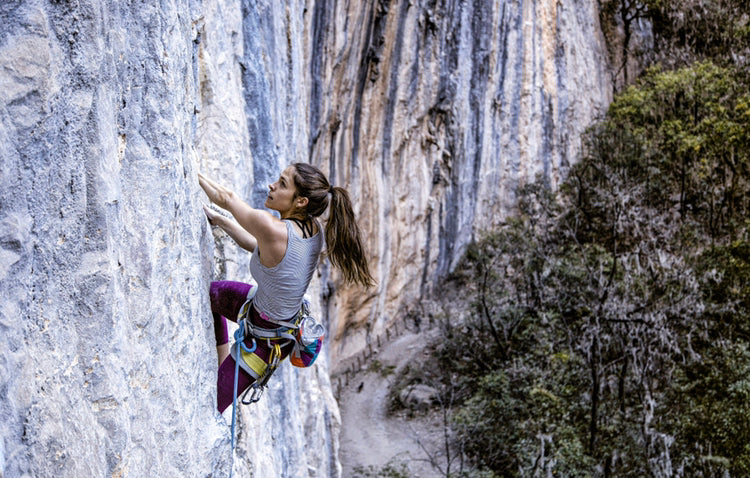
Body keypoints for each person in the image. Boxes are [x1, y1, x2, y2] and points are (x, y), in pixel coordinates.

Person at [198, 162, 374, 413]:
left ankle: (227, 368)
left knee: (209, 407)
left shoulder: (271, 227)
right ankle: (223, 361)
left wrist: (191, 169)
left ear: (301, 201)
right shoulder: (313, 231)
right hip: (268, 318)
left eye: (282, 184)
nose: (272, 185)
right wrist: (221, 221)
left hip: (263, 347)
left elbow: (226, 198)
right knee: (213, 294)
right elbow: (261, 248)